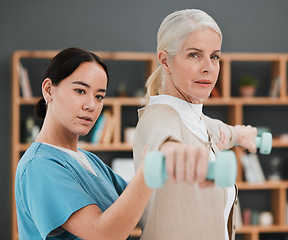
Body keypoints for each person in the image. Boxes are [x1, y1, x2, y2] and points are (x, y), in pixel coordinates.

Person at [133, 9, 258, 240]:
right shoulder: (159, 116)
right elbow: (165, 140)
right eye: (194, 55)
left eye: (214, 56)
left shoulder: (198, 121)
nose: (208, 67)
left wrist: (242, 135)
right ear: (165, 61)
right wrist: (177, 155)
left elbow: (223, 131)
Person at [15, 47, 158, 240]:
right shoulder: (39, 165)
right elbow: (103, 234)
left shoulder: (89, 160)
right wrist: (149, 170)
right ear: (49, 90)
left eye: (99, 96)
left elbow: (143, 205)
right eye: (80, 91)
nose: (91, 105)